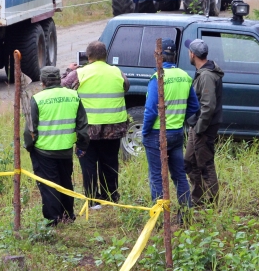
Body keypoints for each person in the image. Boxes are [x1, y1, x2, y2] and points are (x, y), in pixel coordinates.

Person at [62, 41, 129, 207]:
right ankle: (111, 196)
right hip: (114, 127)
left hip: (88, 129)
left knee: (88, 164)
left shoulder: (80, 73)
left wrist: (70, 70)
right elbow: (126, 87)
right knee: (110, 162)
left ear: (88, 56)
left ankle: (93, 200)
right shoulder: (117, 72)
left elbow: (62, 87)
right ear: (105, 55)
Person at [24, 66, 89, 226]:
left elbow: (30, 129)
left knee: (49, 185)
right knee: (65, 182)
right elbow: (82, 125)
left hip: (43, 151)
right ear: (59, 79)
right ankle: (68, 215)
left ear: (43, 81)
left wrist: (30, 146)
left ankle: (54, 220)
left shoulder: (38, 99)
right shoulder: (73, 96)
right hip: (65, 150)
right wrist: (82, 145)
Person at [142, 38, 199, 211]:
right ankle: (186, 212)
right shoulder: (185, 76)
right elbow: (194, 106)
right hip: (176, 134)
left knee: (157, 177)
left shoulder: (157, 78)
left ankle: (160, 215)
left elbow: (151, 111)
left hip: (157, 134)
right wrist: (180, 119)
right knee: (179, 175)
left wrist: (145, 132)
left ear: (158, 55)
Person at [183, 39, 224, 206]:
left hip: (204, 127)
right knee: (189, 161)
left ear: (193, 54)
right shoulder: (203, 72)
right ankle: (197, 198)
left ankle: (212, 203)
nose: (188, 54)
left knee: (206, 164)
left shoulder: (206, 75)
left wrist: (199, 128)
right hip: (198, 126)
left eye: (189, 51)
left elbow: (208, 106)